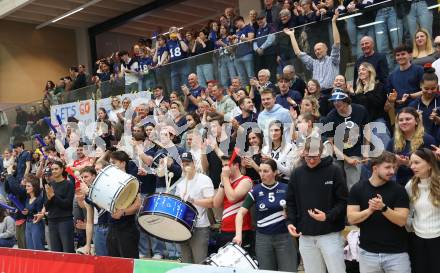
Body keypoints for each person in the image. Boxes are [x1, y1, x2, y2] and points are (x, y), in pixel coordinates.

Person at [286, 137, 348, 273]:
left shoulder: (334, 170)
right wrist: (290, 221)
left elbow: (343, 201)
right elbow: (290, 202)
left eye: (315, 156)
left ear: (321, 153)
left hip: (330, 234)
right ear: (303, 153)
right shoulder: (297, 173)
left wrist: (328, 216)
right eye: (308, 156)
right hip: (305, 235)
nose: (312, 160)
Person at [347, 151, 410, 273]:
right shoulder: (357, 189)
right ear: (375, 168)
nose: (392, 171)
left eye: (394, 167)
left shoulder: (399, 190)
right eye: (387, 167)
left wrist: (383, 208)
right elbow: (351, 218)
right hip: (368, 253)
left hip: (397, 254)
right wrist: (370, 210)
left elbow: (402, 221)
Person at [233, 159, 298, 272]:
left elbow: (297, 209)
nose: (262, 174)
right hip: (263, 239)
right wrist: (238, 235)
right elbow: (240, 213)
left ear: (275, 172)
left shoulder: (286, 188)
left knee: (288, 270)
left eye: (266, 171)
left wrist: (290, 214)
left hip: (284, 237)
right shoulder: (255, 190)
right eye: (260, 171)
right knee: (266, 271)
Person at [284, 11, 340, 91]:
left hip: (331, 92)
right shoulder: (313, 63)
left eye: (319, 49)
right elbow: (298, 53)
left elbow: (337, 43)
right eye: (315, 50)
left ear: (326, 49)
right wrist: (291, 35)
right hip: (316, 94)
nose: (317, 51)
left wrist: (333, 22)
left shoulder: (333, 60)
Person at [325, 90, 369, 189]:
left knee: (353, 185)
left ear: (346, 100)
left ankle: (352, 203)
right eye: (334, 101)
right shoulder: (330, 117)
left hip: (355, 151)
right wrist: (346, 159)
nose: (336, 103)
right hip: (338, 153)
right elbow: (331, 144)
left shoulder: (360, 110)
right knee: (336, 182)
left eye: (339, 100)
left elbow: (367, 129)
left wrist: (365, 150)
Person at [175, 152, 214, 263]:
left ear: (194, 163)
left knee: (200, 262)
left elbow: (211, 202)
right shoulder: (180, 184)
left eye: (188, 163)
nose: (185, 165)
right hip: (183, 226)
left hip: (199, 226)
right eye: (183, 163)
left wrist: (193, 200)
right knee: (186, 262)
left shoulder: (204, 179)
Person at [406, 148, 440, 273]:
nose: (412, 166)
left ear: (430, 164)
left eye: (417, 162)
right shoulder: (410, 185)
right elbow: (407, 213)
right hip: (417, 239)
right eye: (411, 163)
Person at [213, 154, 254, 255]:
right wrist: (223, 182)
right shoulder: (225, 182)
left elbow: (232, 198)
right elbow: (216, 204)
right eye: (223, 166)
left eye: (227, 165)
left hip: (242, 230)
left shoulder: (245, 180)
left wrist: (225, 179)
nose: (224, 169)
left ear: (236, 165)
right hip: (225, 229)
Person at [386, 107, 436, 186]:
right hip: (400, 184)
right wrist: (396, 163)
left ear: (416, 121)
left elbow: (433, 167)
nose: (404, 122)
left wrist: (408, 163)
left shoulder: (427, 140)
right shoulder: (393, 141)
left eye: (408, 119)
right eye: (401, 120)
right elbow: (388, 167)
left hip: (423, 184)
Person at [108, 151, 141, 258]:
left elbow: (137, 205)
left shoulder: (132, 181)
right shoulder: (109, 181)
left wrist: (122, 212)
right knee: (114, 265)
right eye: (110, 163)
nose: (111, 165)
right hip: (112, 227)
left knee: (129, 264)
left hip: (127, 228)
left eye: (114, 162)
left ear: (123, 163)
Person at [44, 160, 75, 253]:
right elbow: (46, 206)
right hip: (52, 220)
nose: (54, 171)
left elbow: (67, 204)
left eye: (56, 169)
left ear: (62, 169)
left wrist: (53, 196)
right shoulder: (50, 185)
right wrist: (50, 198)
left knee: (67, 250)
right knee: (55, 252)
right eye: (52, 169)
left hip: (65, 220)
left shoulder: (68, 184)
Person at [79, 166, 109, 256]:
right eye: (82, 177)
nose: (84, 180)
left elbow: (105, 207)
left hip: (111, 226)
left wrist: (89, 193)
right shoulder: (86, 195)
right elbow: (89, 221)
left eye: (86, 176)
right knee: (101, 259)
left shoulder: (104, 188)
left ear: (94, 176)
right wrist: (88, 244)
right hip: (99, 227)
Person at [408, 67, 440, 141]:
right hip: (420, 144)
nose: (429, 92)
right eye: (426, 88)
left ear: (437, 87)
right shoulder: (413, 105)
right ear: (420, 86)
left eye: (433, 89)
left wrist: (438, 120)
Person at [23, 174, 45, 250]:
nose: (26, 188)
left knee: (38, 247)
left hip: (36, 224)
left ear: (34, 187)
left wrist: (28, 212)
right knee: (29, 248)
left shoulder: (39, 199)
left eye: (28, 186)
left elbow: (39, 214)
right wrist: (26, 212)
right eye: (26, 186)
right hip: (27, 223)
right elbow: (28, 211)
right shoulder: (27, 199)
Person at [232, 16, 255, 85]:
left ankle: (253, 94)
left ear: (240, 20)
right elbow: (235, 45)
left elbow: (250, 39)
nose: (236, 26)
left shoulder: (249, 27)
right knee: (242, 78)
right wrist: (231, 41)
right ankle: (246, 93)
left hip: (247, 54)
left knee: (250, 76)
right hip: (237, 56)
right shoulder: (237, 32)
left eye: (236, 23)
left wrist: (238, 37)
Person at [167, 26, 190, 91]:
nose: (173, 34)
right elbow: (167, 54)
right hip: (174, 68)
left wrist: (179, 38)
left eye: (175, 32)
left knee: (185, 85)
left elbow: (185, 49)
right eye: (171, 33)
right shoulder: (168, 43)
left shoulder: (182, 40)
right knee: (175, 87)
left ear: (178, 33)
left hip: (184, 66)